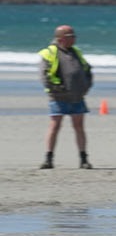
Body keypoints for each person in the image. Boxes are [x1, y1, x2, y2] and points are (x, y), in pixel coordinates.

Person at [38, 25, 93, 169]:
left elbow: (87, 70)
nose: (74, 39)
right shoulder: (51, 52)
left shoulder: (76, 52)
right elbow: (45, 75)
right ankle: (48, 158)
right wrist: (57, 90)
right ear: (61, 38)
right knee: (55, 126)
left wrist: (86, 86)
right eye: (70, 36)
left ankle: (83, 159)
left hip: (77, 97)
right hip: (59, 98)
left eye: (74, 36)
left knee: (79, 127)